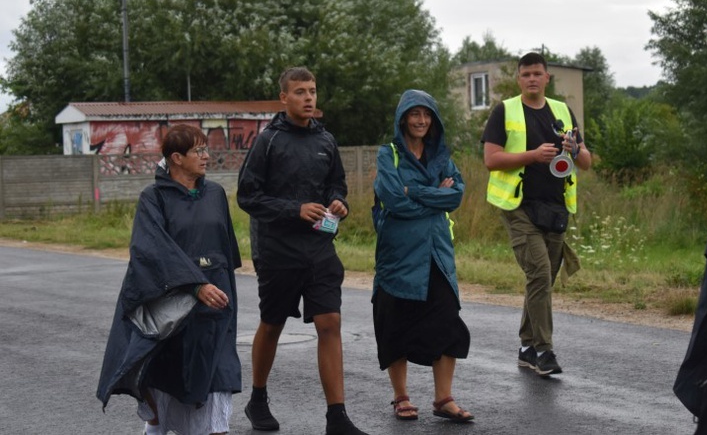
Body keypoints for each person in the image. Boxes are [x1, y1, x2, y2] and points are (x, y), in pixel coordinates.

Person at [236, 67, 369, 435]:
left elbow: (336, 184)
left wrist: (338, 202)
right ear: (284, 98)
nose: (309, 98)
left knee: (330, 323)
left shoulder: (326, 140)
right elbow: (247, 196)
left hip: (319, 248)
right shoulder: (268, 141)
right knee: (273, 324)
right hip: (277, 250)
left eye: (312, 90)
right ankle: (257, 398)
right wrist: (294, 209)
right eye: (300, 92)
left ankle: (337, 417)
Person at [96, 124, 242, 435]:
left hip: (216, 307)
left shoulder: (215, 193)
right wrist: (195, 285)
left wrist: (217, 284)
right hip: (172, 309)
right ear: (176, 157)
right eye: (198, 151)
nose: (206, 156)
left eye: (205, 149)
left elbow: (225, 249)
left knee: (216, 376)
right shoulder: (153, 198)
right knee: (167, 381)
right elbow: (150, 249)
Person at [481, 52, 591, 376]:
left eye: (537, 73)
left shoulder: (562, 110)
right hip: (517, 207)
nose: (532, 78)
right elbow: (491, 159)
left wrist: (575, 149)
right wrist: (532, 155)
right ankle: (544, 351)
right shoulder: (505, 110)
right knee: (540, 273)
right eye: (526, 74)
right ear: (519, 78)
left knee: (541, 280)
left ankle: (527, 347)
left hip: (556, 209)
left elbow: (586, 162)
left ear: (547, 78)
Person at [372, 89, 474, 423]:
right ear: (403, 118)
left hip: (436, 253)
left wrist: (413, 190)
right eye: (415, 114)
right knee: (395, 323)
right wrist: (433, 195)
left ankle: (443, 398)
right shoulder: (389, 154)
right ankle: (401, 397)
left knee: (447, 322)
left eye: (427, 114)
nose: (421, 121)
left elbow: (456, 195)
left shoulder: (441, 156)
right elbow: (392, 198)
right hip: (398, 255)